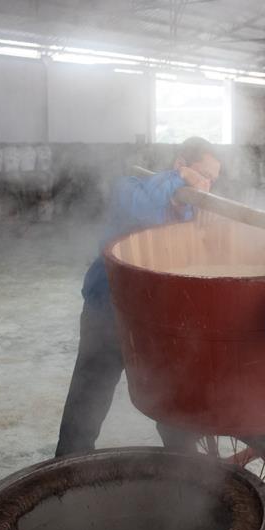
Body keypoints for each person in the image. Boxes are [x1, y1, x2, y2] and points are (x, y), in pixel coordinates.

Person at [55, 137, 221, 457]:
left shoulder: (190, 212)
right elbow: (145, 214)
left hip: (152, 320)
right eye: (202, 174)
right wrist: (179, 181)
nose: (207, 184)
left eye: (212, 179)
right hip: (107, 311)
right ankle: (66, 470)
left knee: (172, 397)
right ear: (180, 164)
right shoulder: (129, 188)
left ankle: (187, 473)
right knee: (89, 397)